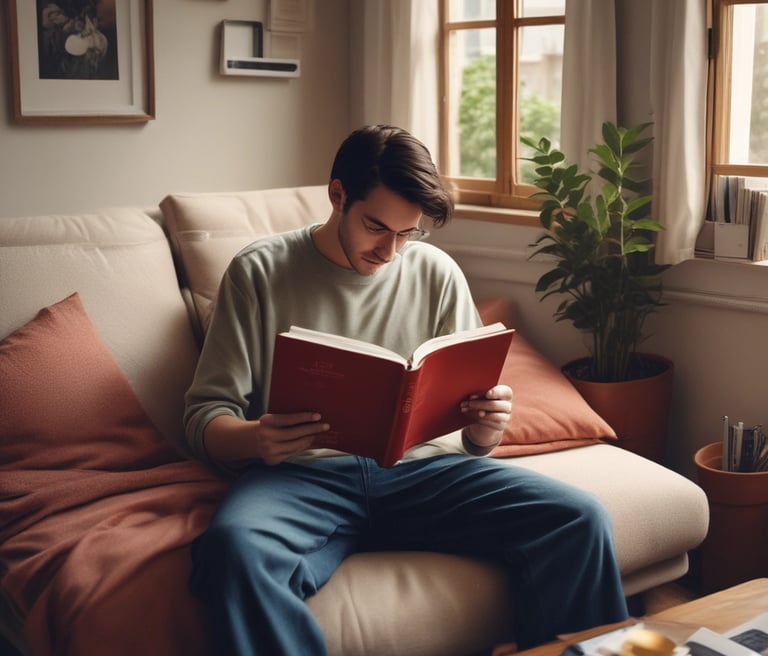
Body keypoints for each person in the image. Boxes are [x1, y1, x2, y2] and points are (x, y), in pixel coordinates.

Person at [185, 125, 629, 655]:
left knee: (579, 518)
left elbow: (470, 429)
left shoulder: (437, 273)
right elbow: (205, 416)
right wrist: (257, 437)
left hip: (426, 474)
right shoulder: (258, 272)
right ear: (337, 195)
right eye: (377, 227)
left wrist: (484, 430)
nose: (391, 251)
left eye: (407, 233)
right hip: (305, 480)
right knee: (233, 550)